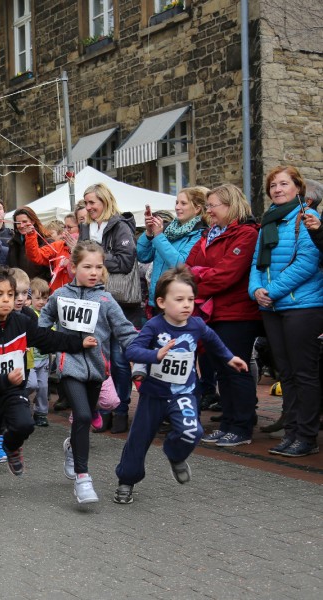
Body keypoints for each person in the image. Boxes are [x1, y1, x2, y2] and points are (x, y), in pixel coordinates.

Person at [114, 266, 248, 504]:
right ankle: (127, 481)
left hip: (184, 394)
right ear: (161, 302)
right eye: (179, 300)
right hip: (154, 395)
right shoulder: (154, 326)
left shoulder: (196, 325)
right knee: (139, 440)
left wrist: (229, 357)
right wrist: (155, 355)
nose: (187, 305)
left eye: (191, 299)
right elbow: (132, 350)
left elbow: (213, 339)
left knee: (192, 431)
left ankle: (175, 455)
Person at [0, 266, 95, 499]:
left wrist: (78, 343)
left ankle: (12, 446)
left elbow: (47, 338)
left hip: (13, 390)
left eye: (11, 294)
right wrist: (4, 378)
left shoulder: (22, 323)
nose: (7, 300)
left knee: (24, 424)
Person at [39, 241, 139, 504]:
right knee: (83, 415)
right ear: (73, 267)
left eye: (98, 267)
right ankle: (83, 479)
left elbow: (126, 332)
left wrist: (145, 355)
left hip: (97, 370)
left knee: (84, 420)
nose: (94, 272)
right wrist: (58, 345)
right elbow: (42, 325)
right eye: (87, 267)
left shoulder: (106, 300)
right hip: (69, 366)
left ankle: (73, 448)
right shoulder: (60, 296)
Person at [249, 167, 323, 457]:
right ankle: (291, 432)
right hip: (272, 307)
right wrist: (255, 290)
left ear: (298, 188)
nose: (277, 189)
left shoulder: (307, 217)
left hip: (303, 307)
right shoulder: (268, 220)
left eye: (283, 184)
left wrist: (271, 291)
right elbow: (257, 262)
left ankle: (306, 436)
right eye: (273, 186)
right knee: (286, 375)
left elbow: (307, 263)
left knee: (304, 374)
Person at [185, 184, 262, 449]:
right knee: (222, 371)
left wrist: (197, 281)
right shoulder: (208, 234)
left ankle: (241, 427)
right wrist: (200, 274)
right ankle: (228, 424)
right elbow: (187, 267)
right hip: (212, 312)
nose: (208, 211)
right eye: (207, 206)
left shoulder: (247, 234)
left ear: (230, 205)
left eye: (212, 206)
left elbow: (227, 274)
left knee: (235, 369)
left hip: (237, 312)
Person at [78, 183, 138, 434]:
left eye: (92, 202)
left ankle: (121, 410)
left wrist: (96, 257)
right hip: (92, 301)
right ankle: (104, 408)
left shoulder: (119, 225)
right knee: (99, 360)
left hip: (119, 302)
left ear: (105, 201)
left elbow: (126, 262)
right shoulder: (86, 227)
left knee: (120, 361)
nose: (88, 207)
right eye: (86, 203)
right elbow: (80, 261)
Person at [138, 187, 208, 315]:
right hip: (158, 300)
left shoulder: (199, 234)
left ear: (197, 208)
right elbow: (142, 256)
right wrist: (148, 232)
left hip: (178, 302)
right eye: (176, 203)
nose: (177, 207)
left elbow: (181, 264)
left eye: (183, 203)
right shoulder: (168, 230)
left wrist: (158, 236)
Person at [23, 212, 78, 293]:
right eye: (65, 227)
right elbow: (35, 256)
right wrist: (31, 235)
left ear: (80, 227)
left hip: (76, 295)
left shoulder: (87, 246)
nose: (65, 231)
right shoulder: (59, 245)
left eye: (69, 228)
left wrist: (71, 261)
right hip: (56, 294)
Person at [26, 278, 52, 427]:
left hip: (44, 358)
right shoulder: (29, 314)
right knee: (31, 384)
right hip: (31, 359)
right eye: (38, 298)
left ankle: (41, 413)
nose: (42, 302)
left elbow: (53, 331)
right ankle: (23, 404)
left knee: (43, 387)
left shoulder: (48, 315)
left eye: (45, 298)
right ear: (30, 298)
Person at [6, 207, 51, 280]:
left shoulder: (46, 242)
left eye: (24, 221)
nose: (21, 225)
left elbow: (49, 270)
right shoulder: (12, 244)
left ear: (33, 221)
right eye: (18, 223)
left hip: (39, 285)